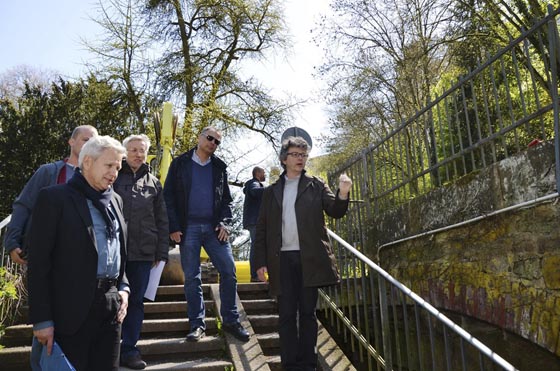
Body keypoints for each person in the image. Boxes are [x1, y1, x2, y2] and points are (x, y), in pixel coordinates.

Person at [28, 135, 130, 371]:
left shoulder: (116, 201)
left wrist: (124, 288)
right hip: (69, 312)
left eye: (118, 167)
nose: (114, 172)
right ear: (87, 163)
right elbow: (39, 264)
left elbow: (118, 252)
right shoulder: (54, 199)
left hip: (111, 308)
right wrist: (42, 320)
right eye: (109, 165)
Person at [254, 136, 352, 371]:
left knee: (308, 314)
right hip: (282, 260)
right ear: (284, 158)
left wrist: (343, 192)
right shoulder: (271, 192)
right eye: (296, 154)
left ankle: (308, 364)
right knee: (286, 315)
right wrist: (259, 261)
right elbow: (262, 229)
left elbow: (335, 210)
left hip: (309, 258)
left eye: (303, 155)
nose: (300, 159)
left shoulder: (316, 185)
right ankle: (289, 365)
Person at [163, 126, 250, 342]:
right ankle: (197, 325)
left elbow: (227, 201)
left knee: (229, 271)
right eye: (210, 138)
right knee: (191, 278)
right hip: (188, 228)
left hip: (214, 229)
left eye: (217, 141)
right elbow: (168, 197)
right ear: (199, 137)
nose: (213, 143)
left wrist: (225, 224)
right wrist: (173, 227)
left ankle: (230, 321)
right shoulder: (180, 163)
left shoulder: (219, 167)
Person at [4, 125, 98, 265]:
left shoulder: (99, 178)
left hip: (81, 255)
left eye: (94, 142)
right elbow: (24, 205)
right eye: (85, 139)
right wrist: (12, 242)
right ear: (71, 141)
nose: (89, 145)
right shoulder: (49, 172)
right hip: (46, 252)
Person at [114, 134, 169, 370]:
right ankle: (107, 348)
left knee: (135, 302)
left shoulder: (154, 183)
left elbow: (162, 219)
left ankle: (129, 350)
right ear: (125, 152)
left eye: (142, 150)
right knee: (108, 302)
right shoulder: (113, 176)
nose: (138, 154)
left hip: (143, 253)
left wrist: (162, 252)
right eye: (133, 149)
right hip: (114, 251)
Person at [242, 166, 266, 282]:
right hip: (255, 220)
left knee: (258, 246)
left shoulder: (253, 183)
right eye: (264, 172)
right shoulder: (253, 183)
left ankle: (257, 274)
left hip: (254, 220)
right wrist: (272, 189)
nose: (265, 174)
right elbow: (255, 192)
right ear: (258, 173)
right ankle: (255, 275)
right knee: (257, 246)